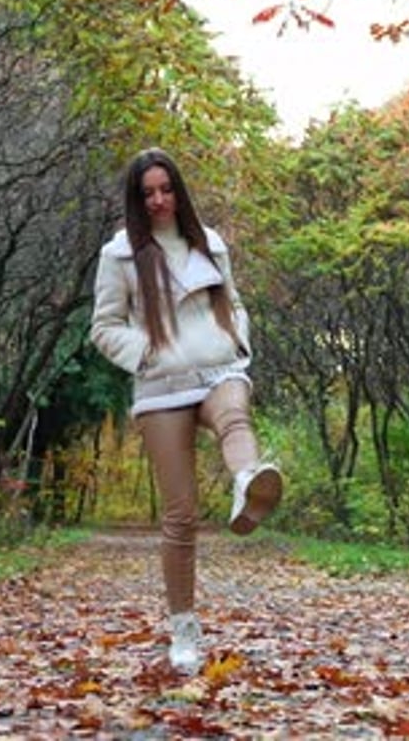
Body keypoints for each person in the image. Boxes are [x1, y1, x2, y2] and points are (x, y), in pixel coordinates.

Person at [90, 148, 282, 671]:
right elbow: (103, 326)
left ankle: (249, 480)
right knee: (181, 517)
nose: (158, 200)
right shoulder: (120, 256)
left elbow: (236, 301)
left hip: (218, 367)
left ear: (179, 191)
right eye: (148, 192)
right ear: (136, 198)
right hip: (162, 385)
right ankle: (184, 631)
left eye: (166, 189)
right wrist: (147, 354)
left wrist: (234, 338)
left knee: (235, 416)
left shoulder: (210, 243)